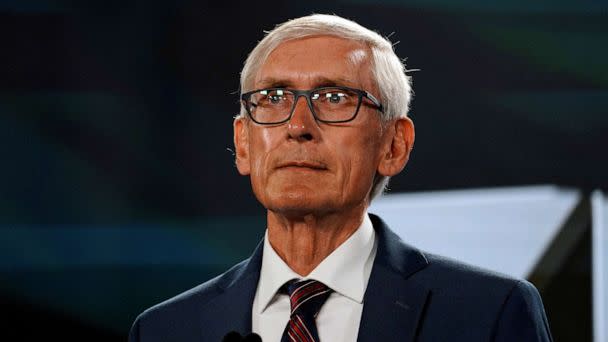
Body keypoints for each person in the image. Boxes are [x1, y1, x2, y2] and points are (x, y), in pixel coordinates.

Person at [129, 14, 553, 342]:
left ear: (394, 145)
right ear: (243, 144)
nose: (298, 125)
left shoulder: (487, 314)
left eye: (335, 98)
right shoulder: (167, 329)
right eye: (273, 98)